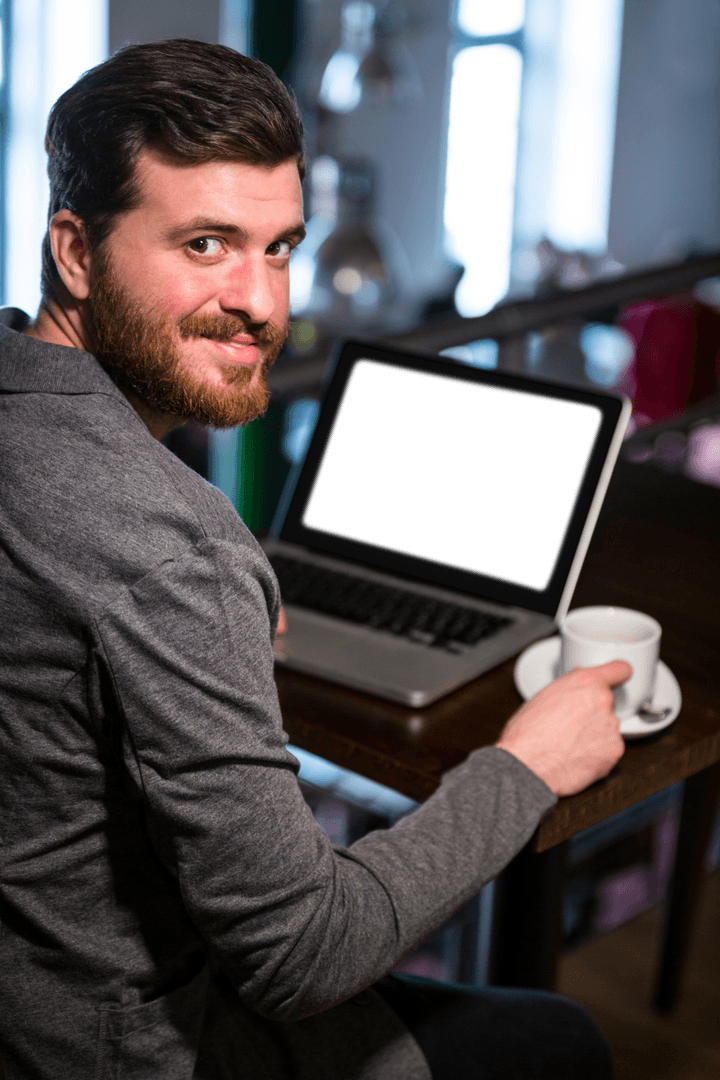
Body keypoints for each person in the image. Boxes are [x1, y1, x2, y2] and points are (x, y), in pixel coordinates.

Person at [0, 39, 629, 1080]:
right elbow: (304, 953)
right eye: (205, 244)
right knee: (558, 1040)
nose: (260, 302)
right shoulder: (169, 551)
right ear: (75, 251)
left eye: (281, 246)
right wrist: (526, 767)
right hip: (108, 1044)